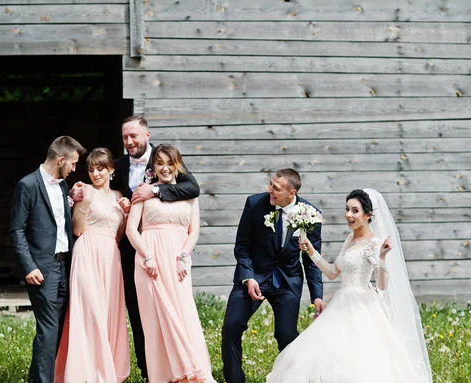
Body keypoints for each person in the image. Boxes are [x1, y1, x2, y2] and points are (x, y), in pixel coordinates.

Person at [69, 115, 200, 381]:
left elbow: (192, 187)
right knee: (136, 311)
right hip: (125, 250)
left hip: (165, 249)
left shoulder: (164, 161)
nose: (129, 142)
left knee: (172, 307)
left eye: (134, 137)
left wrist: (156, 192)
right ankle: (148, 369)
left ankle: (176, 367)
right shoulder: (115, 165)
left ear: (147, 135)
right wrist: (77, 193)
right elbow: (102, 196)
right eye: (125, 137)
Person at [266, 189, 432, 383]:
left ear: (368, 215)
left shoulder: (374, 243)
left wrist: (383, 257)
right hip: (341, 301)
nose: (349, 215)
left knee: (358, 355)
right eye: (347, 209)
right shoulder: (349, 239)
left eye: (355, 211)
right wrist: (311, 251)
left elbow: (383, 285)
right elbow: (332, 272)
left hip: (362, 304)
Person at [221, 168, 324, 383]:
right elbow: (242, 247)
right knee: (231, 325)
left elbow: (311, 259)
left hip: (287, 281)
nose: (270, 190)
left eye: (276, 188)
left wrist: (317, 295)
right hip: (254, 276)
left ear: (291, 192)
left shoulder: (310, 214)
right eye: (270, 184)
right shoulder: (254, 204)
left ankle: (291, 378)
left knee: (286, 335)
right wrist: (249, 277)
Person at [125, 144, 216, 383]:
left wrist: (184, 257)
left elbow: (193, 231)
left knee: (183, 314)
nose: (164, 168)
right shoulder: (143, 191)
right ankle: (163, 376)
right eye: (159, 163)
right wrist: (146, 256)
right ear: (153, 166)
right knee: (155, 320)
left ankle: (191, 370)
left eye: (169, 163)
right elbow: (131, 229)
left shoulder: (190, 195)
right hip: (149, 261)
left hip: (178, 262)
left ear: (177, 165)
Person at [9, 136, 87, 383]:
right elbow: (17, 229)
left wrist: (72, 198)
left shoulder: (63, 186)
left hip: (65, 266)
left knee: (57, 329)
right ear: (60, 159)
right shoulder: (28, 185)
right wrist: (29, 266)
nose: (75, 170)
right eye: (73, 164)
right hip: (42, 269)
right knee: (48, 330)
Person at [54, 147, 131, 382]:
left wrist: (126, 215)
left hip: (110, 255)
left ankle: (106, 369)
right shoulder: (84, 190)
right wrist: (86, 201)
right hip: (87, 252)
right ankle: (84, 372)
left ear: (111, 170)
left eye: (100, 169)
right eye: (91, 169)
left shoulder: (119, 196)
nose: (95, 174)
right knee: (90, 310)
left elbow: (118, 235)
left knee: (108, 312)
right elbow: (77, 229)